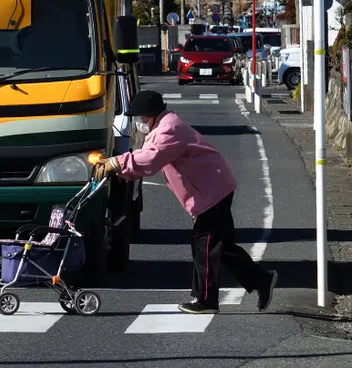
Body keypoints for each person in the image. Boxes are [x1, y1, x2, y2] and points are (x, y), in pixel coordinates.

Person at [93, 89, 277, 315]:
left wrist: (116, 163)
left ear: (151, 115)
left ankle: (206, 300)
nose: (139, 121)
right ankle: (262, 280)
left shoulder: (169, 129)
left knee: (204, 246)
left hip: (211, 190)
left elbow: (151, 159)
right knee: (222, 247)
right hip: (214, 186)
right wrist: (119, 169)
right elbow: (147, 160)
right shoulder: (163, 127)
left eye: (141, 116)